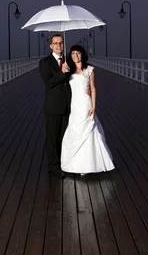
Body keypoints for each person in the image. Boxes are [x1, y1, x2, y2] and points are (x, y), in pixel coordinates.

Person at [60, 44, 114, 174]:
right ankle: (76, 164)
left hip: (85, 103)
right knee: (74, 130)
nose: (75, 56)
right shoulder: (68, 69)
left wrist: (94, 107)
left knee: (88, 130)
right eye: (73, 53)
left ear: (82, 54)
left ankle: (92, 165)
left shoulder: (89, 69)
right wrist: (62, 71)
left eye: (78, 53)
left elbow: (93, 88)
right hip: (74, 104)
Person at [39, 34, 71, 177]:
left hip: (67, 105)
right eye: (56, 43)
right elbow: (49, 83)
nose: (59, 45)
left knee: (63, 137)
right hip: (53, 106)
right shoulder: (45, 62)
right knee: (52, 138)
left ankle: (63, 164)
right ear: (51, 45)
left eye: (61, 43)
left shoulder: (67, 60)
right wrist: (61, 72)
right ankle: (53, 167)